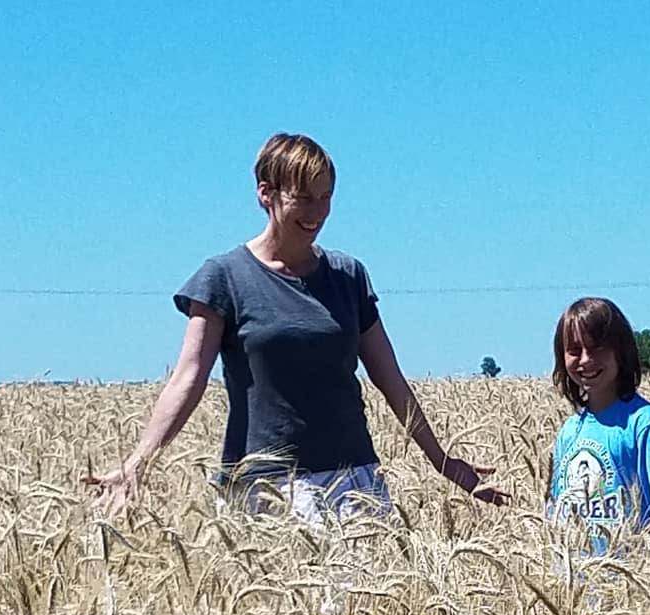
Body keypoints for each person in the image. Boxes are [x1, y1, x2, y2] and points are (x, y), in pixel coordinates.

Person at [86, 132, 506, 521]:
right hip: (266, 488)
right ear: (265, 194)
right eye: (303, 198)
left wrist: (440, 459)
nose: (317, 213)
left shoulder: (348, 276)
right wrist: (137, 465)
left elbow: (390, 378)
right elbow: (188, 378)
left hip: (353, 483)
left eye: (326, 198)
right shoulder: (224, 278)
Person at [548, 297, 650, 554]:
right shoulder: (569, 431)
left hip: (630, 581)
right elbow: (555, 512)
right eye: (575, 350)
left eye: (597, 348)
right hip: (571, 585)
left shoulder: (644, 421)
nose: (586, 359)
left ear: (620, 352)